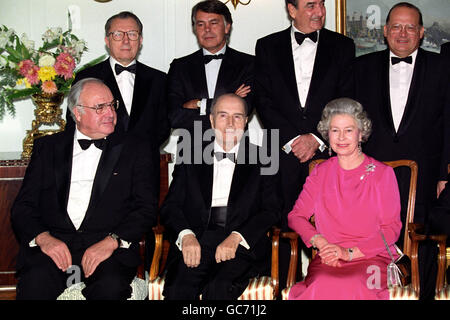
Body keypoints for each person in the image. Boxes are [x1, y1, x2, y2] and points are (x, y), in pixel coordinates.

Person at [11, 78, 158, 300]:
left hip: (108, 247)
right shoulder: (48, 148)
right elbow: (23, 206)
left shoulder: (137, 148)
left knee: (110, 288)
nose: (110, 113)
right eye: (100, 107)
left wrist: (112, 241)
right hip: (55, 245)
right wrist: (43, 238)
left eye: (112, 105)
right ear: (77, 113)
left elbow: (146, 208)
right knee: (35, 284)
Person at [350, 2, 450, 299]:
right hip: (373, 176)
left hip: (428, 173)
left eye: (410, 27)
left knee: (424, 246)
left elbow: (448, 122)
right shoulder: (361, 67)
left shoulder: (443, 67)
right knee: (371, 244)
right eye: (396, 26)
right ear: (385, 31)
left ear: (421, 32)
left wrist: (445, 173)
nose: (402, 33)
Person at [254, 0, 355, 288]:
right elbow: (264, 100)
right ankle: (286, 290)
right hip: (282, 155)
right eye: (311, 5)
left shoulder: (342, 46)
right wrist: (293, 139)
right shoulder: (267, 46)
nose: (320, 11)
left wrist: (316, 137)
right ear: (291, 9)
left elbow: (346, 98)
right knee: (284, 224)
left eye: (322, 4)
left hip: (327, 154)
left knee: (332, 225)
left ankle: (330, 288)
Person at [160, 93, 281, 300]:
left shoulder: (264, 158)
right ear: (211, 119)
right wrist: (186, 235)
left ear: (246, 121)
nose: (231, 123)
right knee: (179, 288)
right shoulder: (190, 155)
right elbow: (171, 206)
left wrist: (237, 237)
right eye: (223, 115)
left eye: (237, 116)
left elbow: (272, 210)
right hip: (197, 238)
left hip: (241, 244)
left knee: (219, 288)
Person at [287, 97, 402, 300]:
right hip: (329, 257)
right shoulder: (320, 172)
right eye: (335, 130)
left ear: (361, 133)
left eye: (348, 130)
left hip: (374, 257)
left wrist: (349, 253)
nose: (341, 137)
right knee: (323, 282)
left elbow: (391, 229)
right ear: (327, 134)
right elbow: (296, 216)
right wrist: (321, 242)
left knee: (355, 284)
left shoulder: (382, 174)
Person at [66, 11, 170, 150]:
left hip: (145, 163)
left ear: (140, 40)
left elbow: (163, 126)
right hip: (99, 161)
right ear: (107, 41)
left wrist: (140, 153)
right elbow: (75, 123)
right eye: (118, 34)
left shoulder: (159, 79)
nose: (126, 40)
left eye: (132, 34)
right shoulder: (85, 77)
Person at [167, 0, 254, 135]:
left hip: (237, 149)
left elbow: (244, 109)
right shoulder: (180, 67)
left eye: (213, 23)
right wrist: (229, 101)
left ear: (227, 27)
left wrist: (198, 104)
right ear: (195, 29)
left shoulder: (249, 64)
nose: (207, 29)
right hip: (191, 150)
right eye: (201, 24)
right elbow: (174, 117)